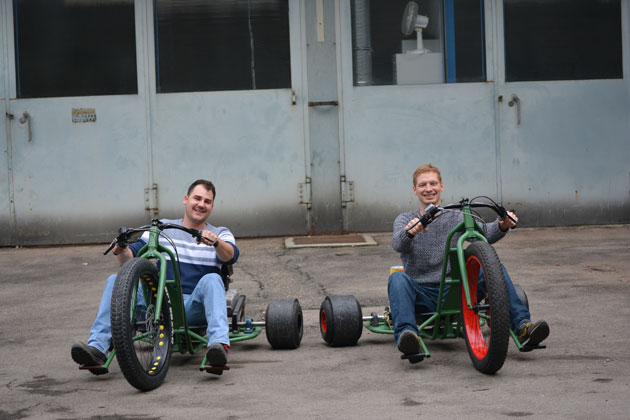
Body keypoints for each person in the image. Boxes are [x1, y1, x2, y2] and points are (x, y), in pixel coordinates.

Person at [71, 179, 239, 371]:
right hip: (158, 304)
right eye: (197, 198)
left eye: (207, 201)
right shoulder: (163, 227)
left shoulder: (220, 233)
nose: (201, 204)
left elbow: (231, 256)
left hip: (192, 306)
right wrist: (121, 248)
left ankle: (218, 347)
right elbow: (130, 259)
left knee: (212, 279)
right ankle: (97, 348)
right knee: (115, 280)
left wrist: (216, 242)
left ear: (212, 206)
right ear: (186, 199)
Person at [388, 164, 549, 356]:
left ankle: (523, 327)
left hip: (455, 290)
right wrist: (410, 232)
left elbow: (486, 233)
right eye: (423, 185)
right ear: (414, 190)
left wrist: (503, 224)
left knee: (494, 267)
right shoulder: (405, 219)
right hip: (420, 293)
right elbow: (398, 243)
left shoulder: (456, 216)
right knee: (397, 279)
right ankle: (409, 337)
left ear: (442, 186)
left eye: (433, 183)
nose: (428, 188)